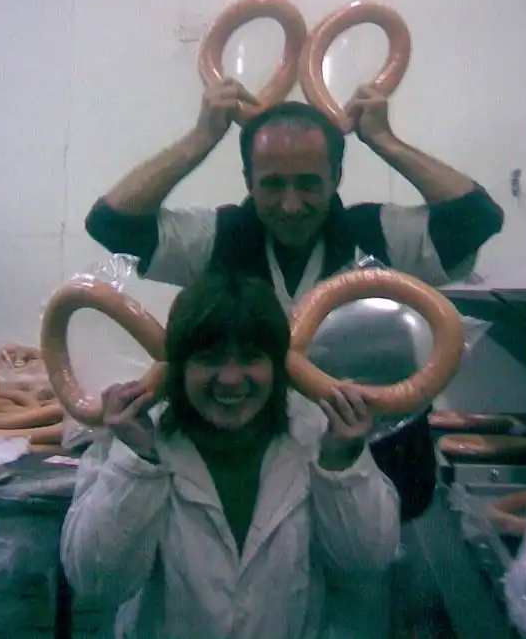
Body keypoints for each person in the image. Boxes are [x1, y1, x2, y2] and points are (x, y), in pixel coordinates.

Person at [83, 79, 505, 521]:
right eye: (272, 184)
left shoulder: (378, 235)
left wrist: (385, 141)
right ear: (248, 180)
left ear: (336, 177)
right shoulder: (218, 238)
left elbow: (476, 218)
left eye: (308, 184)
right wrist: (201, 137)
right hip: (254, 486)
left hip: (383, 476)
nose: (290, 205)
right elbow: (112, 223)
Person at [61, 272, 400, 639]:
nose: (231, 378)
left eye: (251, 358)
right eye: (209, 359)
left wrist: (341, 462)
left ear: (278, 367)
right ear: (179, 367)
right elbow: (96, 581)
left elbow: (367, 561)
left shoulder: (319, 434)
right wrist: (137, 463)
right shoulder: (135, 438)